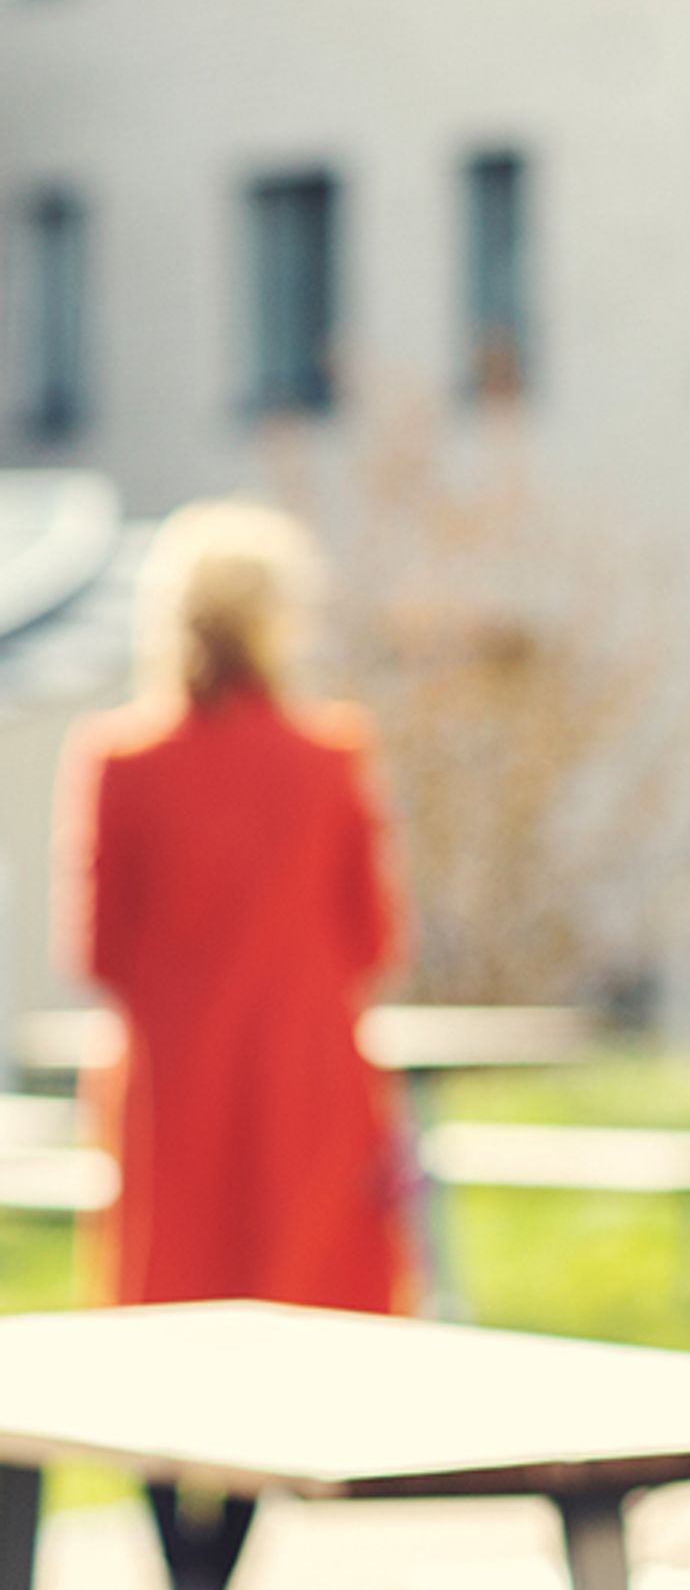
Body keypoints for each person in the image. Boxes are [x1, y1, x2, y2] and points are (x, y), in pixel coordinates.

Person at [55, 501, 406, 1590]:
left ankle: (184, 1567)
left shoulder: (121, 757)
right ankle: (225, 1562)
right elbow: (371, 938)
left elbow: (100, 948)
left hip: (173, 1081)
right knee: (280, 1306)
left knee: (164, 1316)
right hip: (304, 1076)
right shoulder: (329, 754)